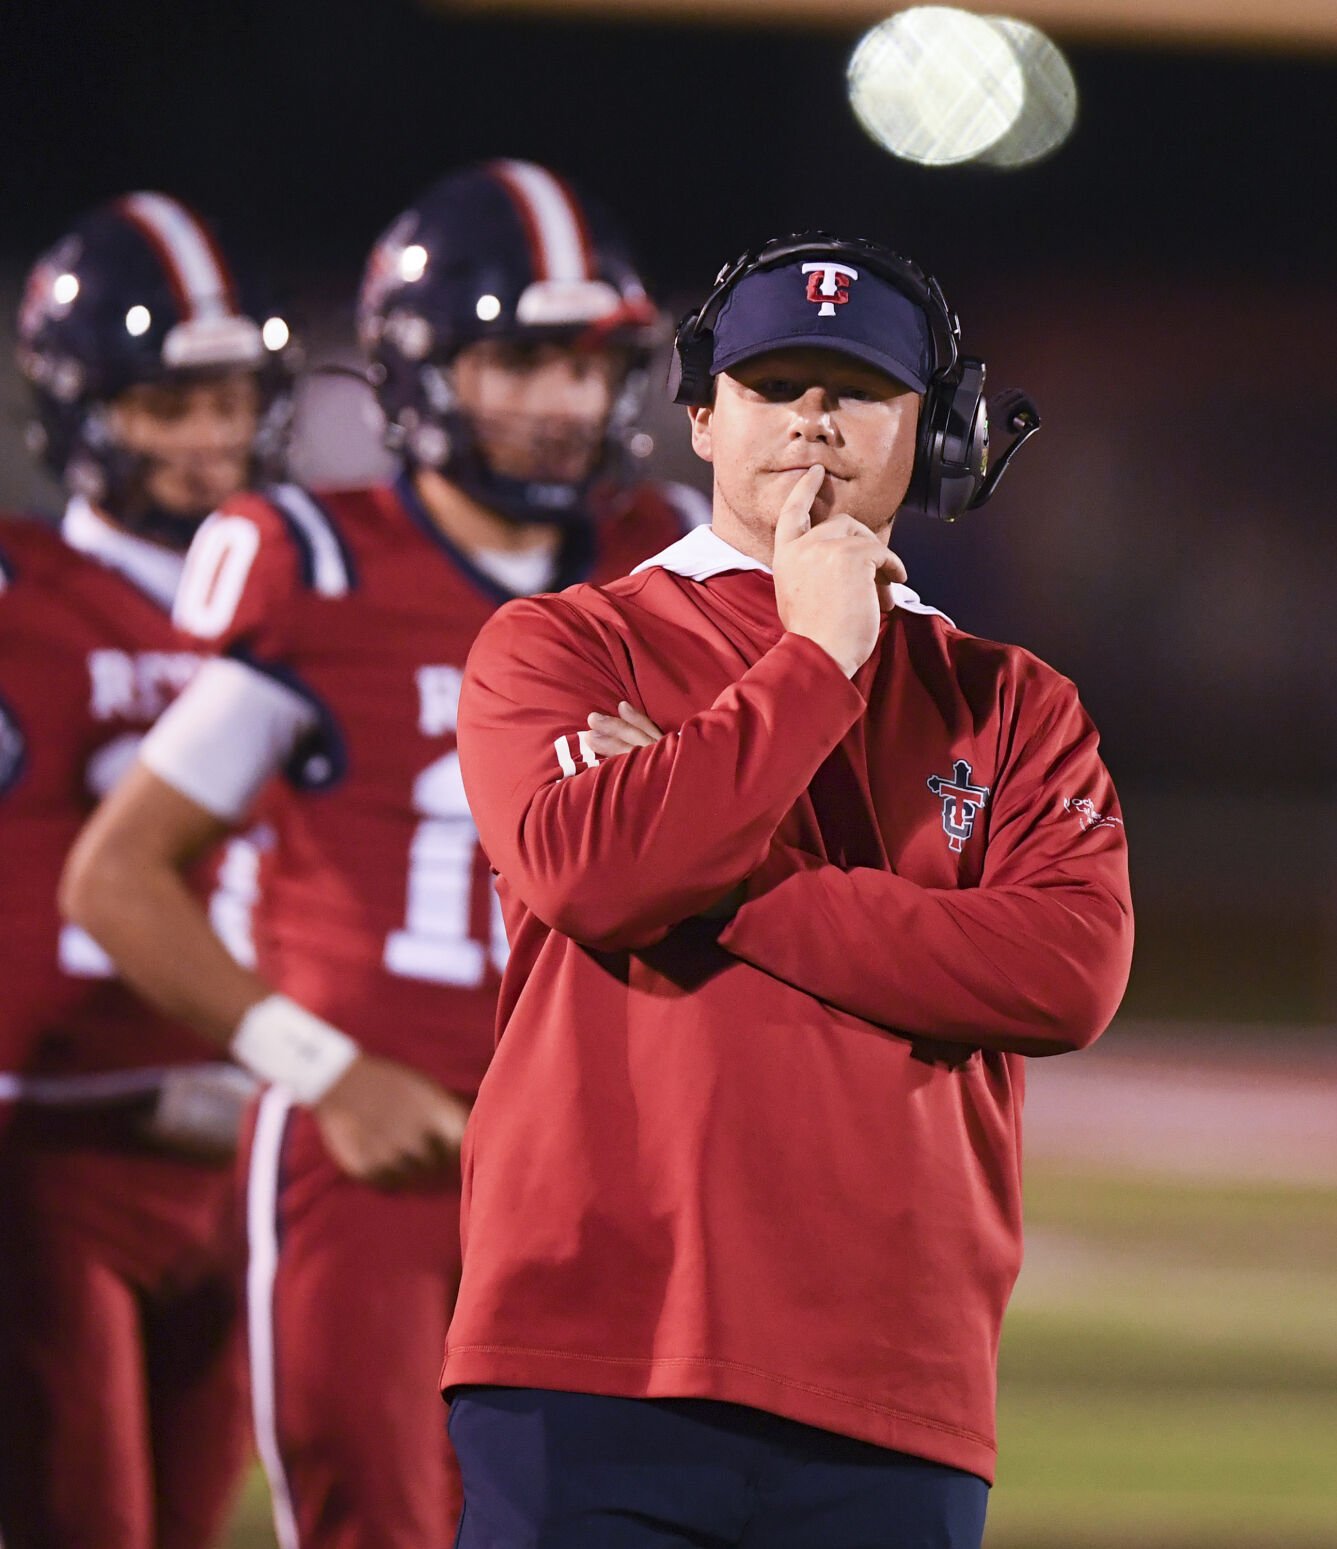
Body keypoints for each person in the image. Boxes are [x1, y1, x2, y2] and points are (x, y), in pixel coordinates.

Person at [445, 232, 1134, 1548]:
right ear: (701, 417)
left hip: (892, 1380)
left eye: (855, 391)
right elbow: (591, 871)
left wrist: (725, 879)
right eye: (774, 388)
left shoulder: (1014, 702)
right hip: (589, 1353)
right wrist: (815, 651)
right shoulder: (559, 640)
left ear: (931, 433)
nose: (812, 423)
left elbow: (1061, 973)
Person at [61, 160, 705, 1549]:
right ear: (423, 367)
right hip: (378, 1154)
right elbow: (116, 875)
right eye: (521, 359)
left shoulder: (662, 564)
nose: (561, 403)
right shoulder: (320, 565)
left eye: (588, 366)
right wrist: (323, 1068)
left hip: (608, 1152)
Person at [0, 191, 292, 1549]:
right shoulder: (29, 600)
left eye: (226, 402)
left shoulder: (304, 598)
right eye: (168, 405)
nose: (205, 439)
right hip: (60, 1147)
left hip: (248, 1157)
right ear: (81, 409)